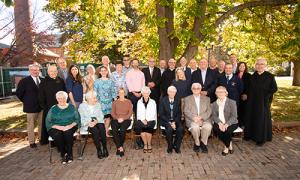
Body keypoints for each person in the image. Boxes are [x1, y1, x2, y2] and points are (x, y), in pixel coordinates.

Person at [244, 58, 277, 146]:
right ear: (255, 66)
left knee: (261, 119)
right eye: (258, 64)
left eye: (262, 64)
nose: (259, 66)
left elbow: (274, 88)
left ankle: (260, 138)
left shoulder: (270, 76)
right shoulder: (252, 76)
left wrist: (267, 96)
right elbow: (248, 89)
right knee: (251, 117)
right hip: (252, 101)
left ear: (265, 66)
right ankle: (249, 135)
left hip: (263, 102)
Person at [46, 91, 80, 164]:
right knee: (58, 135)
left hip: (70, 125)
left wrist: (69, 126)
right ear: (57, 99)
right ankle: (63, 153)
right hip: (55, 126)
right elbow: (48, 121)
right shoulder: (53, 108)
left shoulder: (72, 107)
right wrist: (58, 127)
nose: (61, 100)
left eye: (63, 98)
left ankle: (70, 154)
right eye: (59, 98)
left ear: (66, 98)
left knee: (68, 134)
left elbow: (77, 119)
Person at [16, 63, 43, 148]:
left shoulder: (43, 80)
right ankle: (32, 142)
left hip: (41, 107)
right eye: (33, 70)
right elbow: (19, 93)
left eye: (37, 70)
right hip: (30, 108)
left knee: (41, 124)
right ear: (30, 71)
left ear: (39, 71)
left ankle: (41, 139)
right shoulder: (24, 81)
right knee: (31, 125)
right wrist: (26, 101)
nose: (35, 71)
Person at [38, 65, 66, 145]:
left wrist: (64, 104)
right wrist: (44, 107)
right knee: (52, 125)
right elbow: (41, 96)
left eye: (55, 71)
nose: (53, 73)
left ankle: (64, 139)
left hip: (61, 107)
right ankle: (53, 142)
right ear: (48, 72)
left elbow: (65, 92)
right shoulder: (44, 82)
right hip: (49, 108)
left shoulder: (60, 80)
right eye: (51, 71)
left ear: (57, 72)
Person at [78, 91, 108, 159]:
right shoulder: (82, 106)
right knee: (95, 131)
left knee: (101, 127)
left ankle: (105, 147)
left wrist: (96, 121)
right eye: (94, 98)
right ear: (89, 99)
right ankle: (99, 150)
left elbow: (101, 115)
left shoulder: (98, 104)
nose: (96, 99)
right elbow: (81, 118)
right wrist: (89, 123)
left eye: (95, 98)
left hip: (98, 122)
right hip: (88, 124)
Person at [184, 83, 212, 153]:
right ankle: (197, 143)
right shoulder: (187, 99)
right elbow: (186, 110)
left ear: (200, 89)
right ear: (191, 89)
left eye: (198, 88)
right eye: (194, 88)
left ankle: (203, 143)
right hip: (192, 120)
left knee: (208, 127)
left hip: (204, 119)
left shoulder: (207, 99)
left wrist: (201, 118)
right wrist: (194, 118)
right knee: (195, 128)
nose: (196, 90)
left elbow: (209, 111)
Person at [212, 86, 239, 156]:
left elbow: (234, 116)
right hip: (219, 122)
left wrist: (226, 124)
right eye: (218, 92)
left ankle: (226, 147)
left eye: (222, 92)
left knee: (227, 131)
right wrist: (220, 123)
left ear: (226, 93)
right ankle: (229, 144)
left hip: (231, 122)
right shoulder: (214, 104)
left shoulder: (232, 102)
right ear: (216, 94)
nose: (220, 93)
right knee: (216, 129)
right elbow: (214, 116)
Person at [159, 86, 184, 154]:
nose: (172, 93)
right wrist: (170, 122)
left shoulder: (178, 100)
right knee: (169, 130)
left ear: (175, 93)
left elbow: (179, 113)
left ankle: (176, 146)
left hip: (176, 120)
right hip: (166, 120)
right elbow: (161, 114)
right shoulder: (163, 100)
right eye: (170, 92)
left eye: (173, 92)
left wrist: (174, 122)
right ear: (167, 92)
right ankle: (170, 146)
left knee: (181, 129)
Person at [94, 66, 117, 137]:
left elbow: (113, 91)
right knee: (102, 118)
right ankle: (102, 132)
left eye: (105, 70)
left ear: (107, 72)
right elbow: (95, 92)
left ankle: (106, 132)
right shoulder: (97, 81)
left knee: (109, 118)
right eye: (102, 71)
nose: (103, 72)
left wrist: (115, 100)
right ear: (100, 72)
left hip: (110, 102)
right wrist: (96, 101)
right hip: (101, 102)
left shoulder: (111, 81)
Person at [111, 88, 133, 157]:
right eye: (120, 93)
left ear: (125, 93)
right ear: (118, 94)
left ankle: (119, 147)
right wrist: (118, 118)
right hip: (116, 119)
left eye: (123, 92)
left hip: (126, 119)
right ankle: (120, 147)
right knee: (114, 130)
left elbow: (130, 113)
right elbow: (112, 113)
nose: (121, 94)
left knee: (123, 130)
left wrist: (123, 118)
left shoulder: (128, 102)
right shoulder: (114, 102)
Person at [135, 86, 157, 153]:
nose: (146, 94)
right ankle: (145, 144)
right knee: (142, 128)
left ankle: (149, 144)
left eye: (147, 93)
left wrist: (147, 120)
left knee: (148, 129)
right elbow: (138, 112)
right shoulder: (139, 102)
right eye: (144, 93)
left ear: (149, 93)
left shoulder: (153, 102)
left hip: (151, 119)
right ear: (142, 93)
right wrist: (143, 119)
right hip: (141, 119)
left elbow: (154, 112)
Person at [236, 62, 251, 127]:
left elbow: (251, 87)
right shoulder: (235, 75)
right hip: (236, 96)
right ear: (238, 67)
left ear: (245, 67)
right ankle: (237, 126)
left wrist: (246, 94)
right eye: (240, 66)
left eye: (243, 66)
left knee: (243, 112)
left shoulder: (249, 75)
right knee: (237, 112)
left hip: (245, 97)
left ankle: (243, 126)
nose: (242, 67)